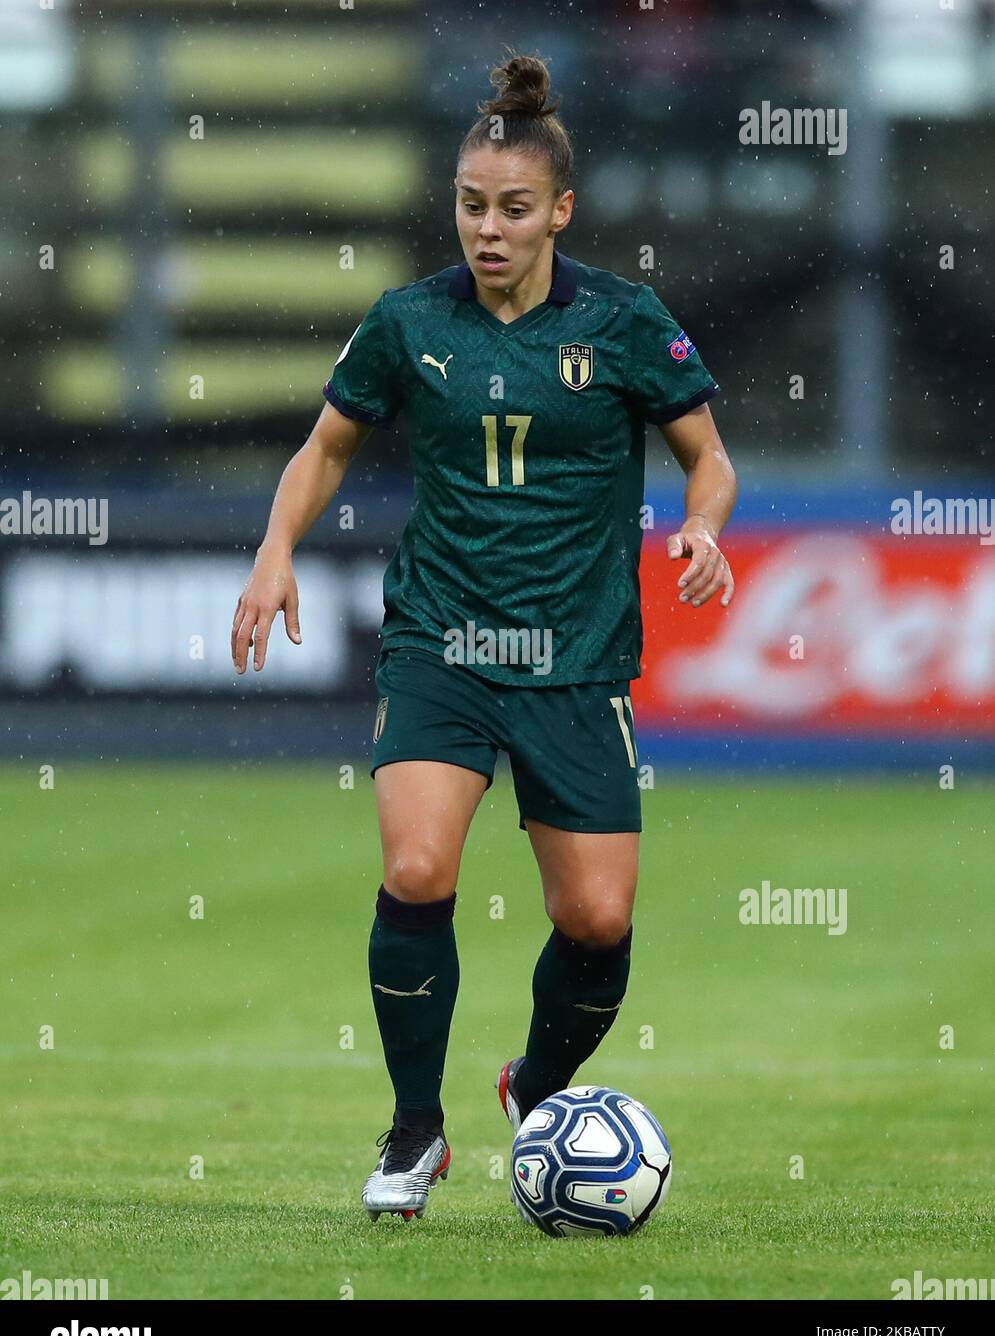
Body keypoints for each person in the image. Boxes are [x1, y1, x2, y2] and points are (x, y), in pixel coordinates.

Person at [232, 51, 737, 1224]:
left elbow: (706, 457)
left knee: (596, 921)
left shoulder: (621, 322)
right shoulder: (408, 322)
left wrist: (703, 530)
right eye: (470, 206)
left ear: (561, 210)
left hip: (576, 656)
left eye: (514, 208)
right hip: (441, 644)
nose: (488, 229)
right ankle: (415, 1130)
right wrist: (274, 545)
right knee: (415, 869)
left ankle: (539, 1092)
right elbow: (327, 447)